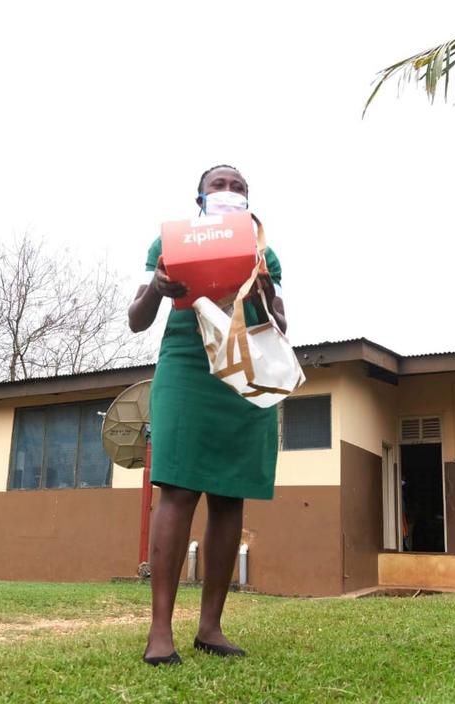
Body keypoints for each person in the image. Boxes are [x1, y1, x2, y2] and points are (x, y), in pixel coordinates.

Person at [128, 165, 287, 666]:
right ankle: (160, 633)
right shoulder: (170, 243)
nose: (228, 192)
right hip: (187, 368)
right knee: (177, 490)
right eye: (219, 184)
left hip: (240, 367)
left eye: (238, 186)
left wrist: (263, 292)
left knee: (228, 495)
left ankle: (211, 627)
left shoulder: (264, 251)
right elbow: (136, 320)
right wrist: (157, 285)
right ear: (199, 195)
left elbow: (281, 324)